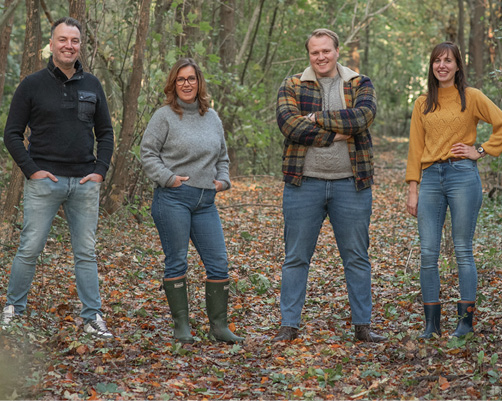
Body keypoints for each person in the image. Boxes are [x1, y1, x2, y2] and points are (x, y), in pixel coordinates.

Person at [1, 17, 114, 338]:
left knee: (86, 252)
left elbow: (105, 133)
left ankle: (92, 317)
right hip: (44, 182)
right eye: (62, 40)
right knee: (30, 247)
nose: (68, 46)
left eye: (74, 41)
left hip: (84, 184)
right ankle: (13, 309)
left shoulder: (92, 84)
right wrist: (32, 170)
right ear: (51, 44)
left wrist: (100, 172)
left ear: (81, 46)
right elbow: (11, 134)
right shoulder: (31, 84)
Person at [273, 28, 386, 342]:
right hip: (302, 183)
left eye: (326, 51)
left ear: (338, 51)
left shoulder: (358, 83)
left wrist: (315, 117)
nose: (320, 57)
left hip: (351, 183)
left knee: (357, 257)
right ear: (308, 54)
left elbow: (363, 116)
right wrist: (334, 133)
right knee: (296, 257)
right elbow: (288, 123)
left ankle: (363, 326)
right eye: (314, 52)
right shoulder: (293, 84)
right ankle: (289, 326)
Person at [140, 58, 243, 345]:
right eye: (181, 79)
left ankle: (219, 327)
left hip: (206, 201)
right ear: (173, 84)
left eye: (192, 79)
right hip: (173, 199)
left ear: (199, 83)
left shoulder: (211, 116)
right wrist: (168, 178)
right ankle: (181, 328)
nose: (187, 84)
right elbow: (148, 153)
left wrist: (223, 180)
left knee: (219, 264)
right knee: (177, 263)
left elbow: (222, 156)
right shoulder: (164, 116)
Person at [406, 42, 502, 339]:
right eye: (437, 61)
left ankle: (465, 323)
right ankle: (431, 324)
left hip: (462, 176)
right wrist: (413, 188)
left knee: (462, 250)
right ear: (431, 66)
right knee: (428, 252)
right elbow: (415, 148)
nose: (442, 65)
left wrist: (481, 150)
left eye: (448, 61)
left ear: (458, 66)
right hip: (431, 177)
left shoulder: (471, 97)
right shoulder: (422, 103)